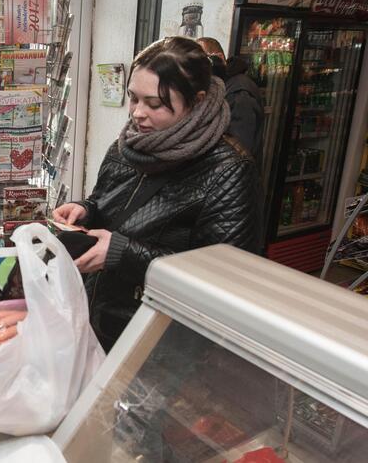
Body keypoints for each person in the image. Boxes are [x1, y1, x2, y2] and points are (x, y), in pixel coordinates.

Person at [52, 37, 262, 352]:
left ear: (196, 100)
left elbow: (222, 280)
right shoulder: (130, 144)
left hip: (159, 343)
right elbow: (112, 204)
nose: (137, 114)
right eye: (133, 98)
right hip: (99, 321)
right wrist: (85, 210)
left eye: (155, 104)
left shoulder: (229, 170)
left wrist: (124, 254)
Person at [197, 36, 265, 168]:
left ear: (218, 58)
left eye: (201, 60)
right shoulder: (218, 86)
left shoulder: (239, 92)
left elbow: (239, 150)